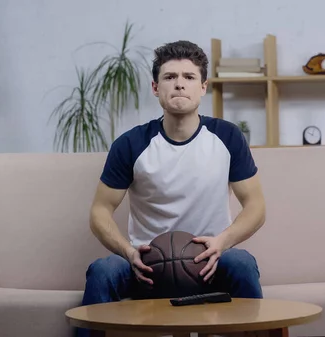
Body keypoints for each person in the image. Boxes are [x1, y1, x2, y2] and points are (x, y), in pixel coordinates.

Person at [78, 40, 266, 336]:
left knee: (242, 263)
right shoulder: (131, 144)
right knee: (102, 271)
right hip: (148, 269)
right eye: (170, 77)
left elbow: (256, 206)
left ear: (203, 87)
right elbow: (100, 211)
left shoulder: (227, 137)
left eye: (189, 77)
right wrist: (128, 252)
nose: (179, 85)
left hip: (209, 265)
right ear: (155, 87)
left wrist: (222, 243)